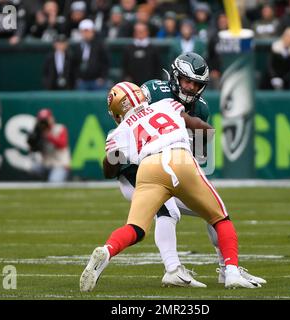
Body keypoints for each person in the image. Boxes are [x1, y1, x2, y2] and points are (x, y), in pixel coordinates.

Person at [79, 81, 266, 292]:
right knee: (219, 217)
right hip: (179, 158)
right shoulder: (167, 104)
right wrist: (199, 142)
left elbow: (109, 171)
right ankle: (231, 272)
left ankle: (107, 250)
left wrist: (114, 157)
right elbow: (201, 127)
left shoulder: (118, 133)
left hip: (148, 168)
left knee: (136, 228)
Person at [27, 108, 71, 183]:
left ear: (51, 119)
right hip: (45, 165)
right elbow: (33, 149)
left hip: (59, 165)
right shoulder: (38, 132)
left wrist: (49, 137)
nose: (44, 123)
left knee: (53, 181)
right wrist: (34, 141)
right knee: (31, 168)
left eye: (46, 120)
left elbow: (62, 144)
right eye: (42, 120)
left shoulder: (60, 128)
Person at [74, 19, 109, 91]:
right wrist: (77, 78)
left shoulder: (100, 45)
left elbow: (105, 62)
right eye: (84, 31)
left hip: (97, 81)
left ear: (93, 32)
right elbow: (75, 63)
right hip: (82, 81)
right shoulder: (78, 46)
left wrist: (102, 77)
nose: (86, 34)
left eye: (88, 31)